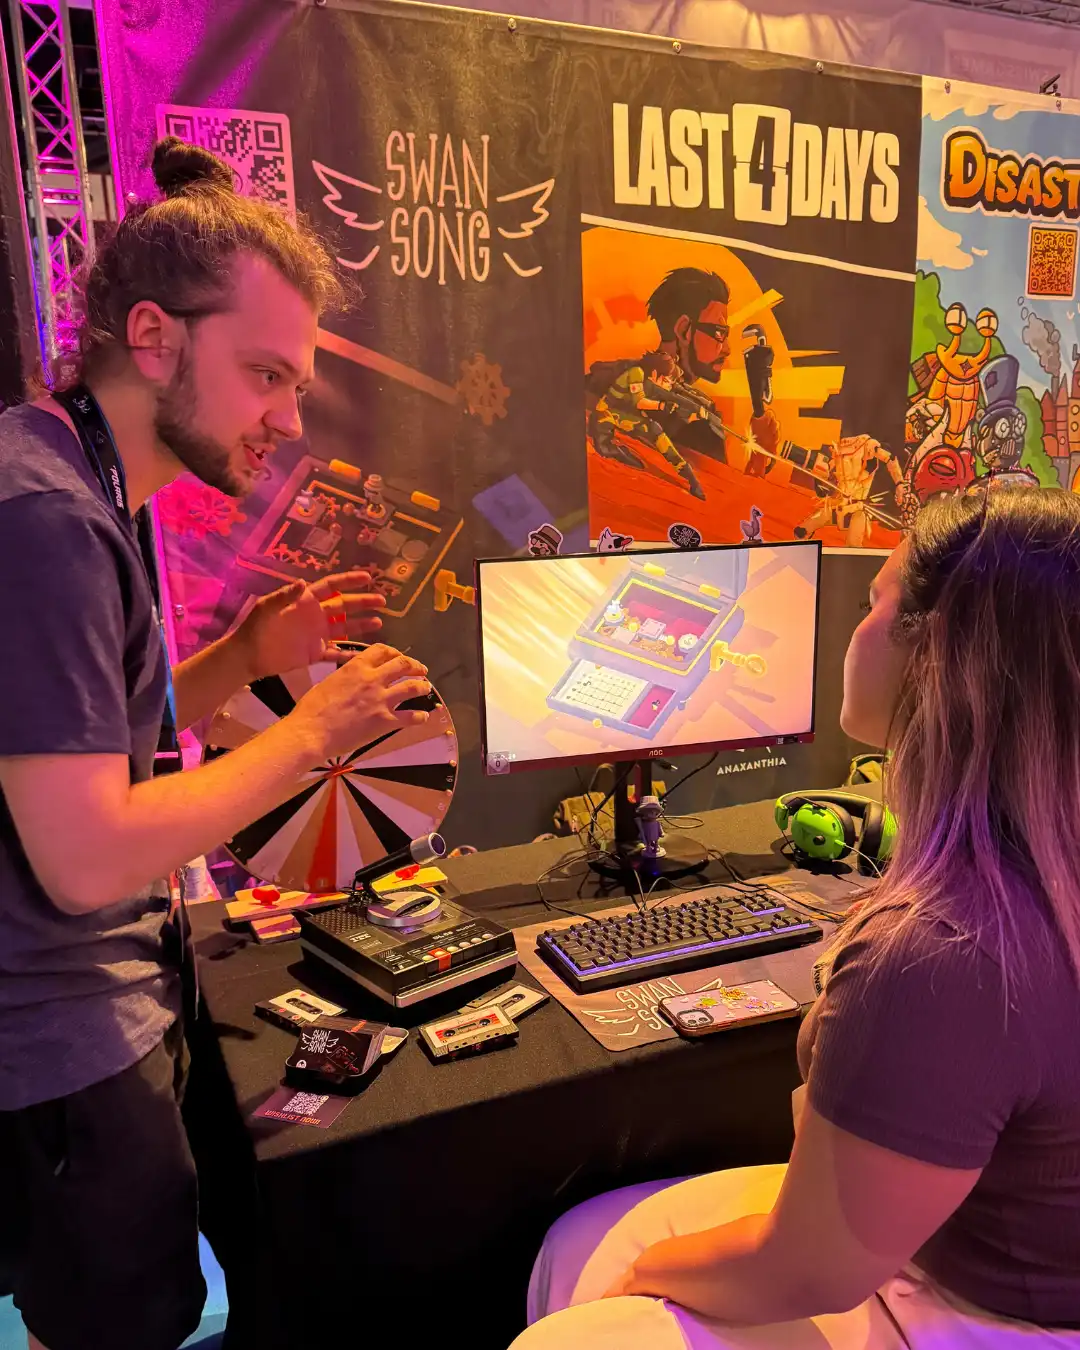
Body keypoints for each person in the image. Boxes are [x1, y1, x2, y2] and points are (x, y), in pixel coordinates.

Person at [0, 137, 431, 1350]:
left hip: (96, 1021)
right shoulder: (48, 520)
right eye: (265, 376)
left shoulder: (77, 480)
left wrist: (239, 659)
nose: (287, 419)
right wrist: (313, 735)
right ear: (154, 337)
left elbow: (89, 751)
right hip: (61, 1049)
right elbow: (86, 853)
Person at [511, 485, 1080, 1348]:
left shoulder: (943, 955)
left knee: (583, 1304)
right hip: (967, 1243)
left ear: (934, 653)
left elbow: (811, 1269)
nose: (851, 630)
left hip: (991, 1312)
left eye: (871, 603)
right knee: (576, 1240)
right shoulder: (1029, 886)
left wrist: (641, 1285)